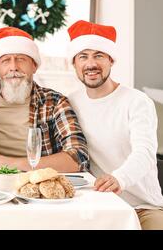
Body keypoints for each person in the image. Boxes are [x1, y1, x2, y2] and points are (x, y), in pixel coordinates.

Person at [67, 20, 163, 229]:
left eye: (99, 55)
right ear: (74, 64)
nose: (90, 64)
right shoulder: (71, 102)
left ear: (111, 60)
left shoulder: (136, 101)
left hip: (143, 207)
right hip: (96, 207)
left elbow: (145, 152)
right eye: (83, 56)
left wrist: (119, 178)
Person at [0, 27, 89, 172]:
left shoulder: (54, 102)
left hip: (36, 186)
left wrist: (11, 163)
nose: (13, 67)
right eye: (6, 61)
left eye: (21, 59)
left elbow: (78, 158)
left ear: (34, 65)